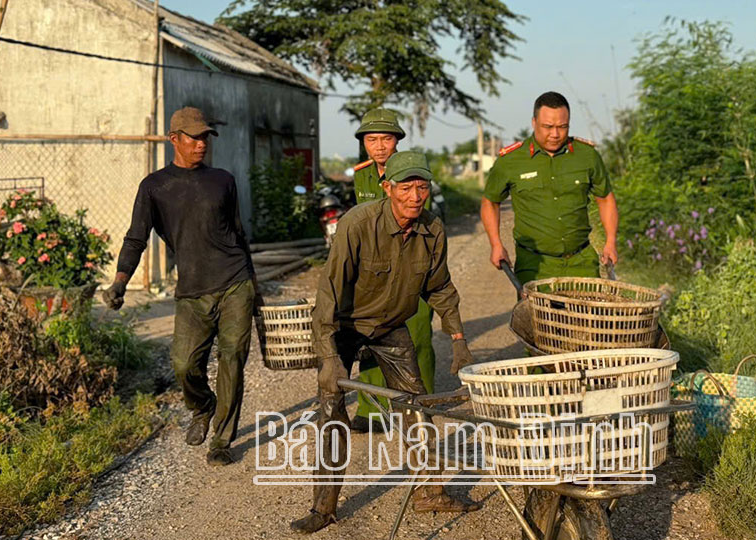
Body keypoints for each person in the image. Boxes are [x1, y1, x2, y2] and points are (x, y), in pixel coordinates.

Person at [290, 151, 480, 534]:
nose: (415, 196)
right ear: (387, 187)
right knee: (332, 416)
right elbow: (328, 291)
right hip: (345, 326)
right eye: (406, 187)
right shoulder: (357, 224)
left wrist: (458, 337)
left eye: (422, 187)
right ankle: (323, 508)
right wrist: (328, 356)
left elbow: (439, 286)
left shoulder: (432, 229)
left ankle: (429, 493)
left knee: (417, 407)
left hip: (392, 328)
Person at [103, 106, 260, 466]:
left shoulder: (223, 180)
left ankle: (221, 439)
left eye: (206, 136)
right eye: (194, 137)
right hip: (192, 289)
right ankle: (202, 406)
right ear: (175, 139)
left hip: (235, 281)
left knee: (233, 358)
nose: (202, 143)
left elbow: (238, 234)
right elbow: (135, 238)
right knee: (184, 364)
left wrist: (254, 284)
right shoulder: (155, 186)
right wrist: (120, 282)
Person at [349, 108, 436, 433]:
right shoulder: (362, 176)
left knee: (418, 335)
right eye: (372, 140)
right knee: (371, 337)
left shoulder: (414, 170)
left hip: (413, 265)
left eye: (386, 139)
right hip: (373, 271)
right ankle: (372, 410)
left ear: (397, 140)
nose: (380, 146)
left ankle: (419, 403)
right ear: (364, 143)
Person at [480, 91, 619, 284]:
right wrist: (496, 244)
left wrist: (610, 241)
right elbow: (490, 202)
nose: (555, 134)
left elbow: (605, 198)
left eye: (562, 127)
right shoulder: (511, 161)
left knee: (589, 314)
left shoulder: (587, 156)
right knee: (535, 315)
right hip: (534, 265)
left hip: (582, 262)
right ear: (534, 122)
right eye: (548, 127)